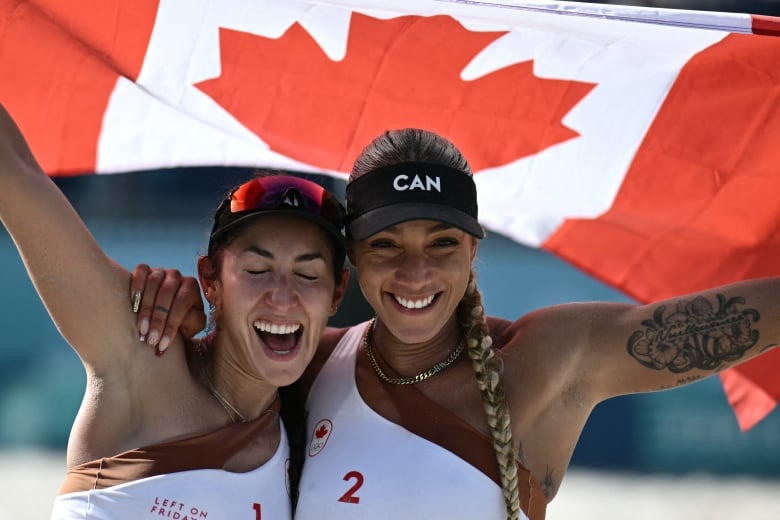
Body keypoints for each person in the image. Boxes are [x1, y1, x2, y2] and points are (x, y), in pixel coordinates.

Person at [134, 128, 780, 520]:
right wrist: (180, 303)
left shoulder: (541, 359)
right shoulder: (302, 364)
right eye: (387, 246)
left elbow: (714, 324)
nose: (415, 274)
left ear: (474, 251)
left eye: (442, 244)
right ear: (352, 260)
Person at [0, 103, 350, 519]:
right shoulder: (141, 353)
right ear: (209, 280)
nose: (281, 296)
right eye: (257, 270)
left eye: (307, 275)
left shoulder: (319, 418)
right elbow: (14, 171)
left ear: (337, 292)